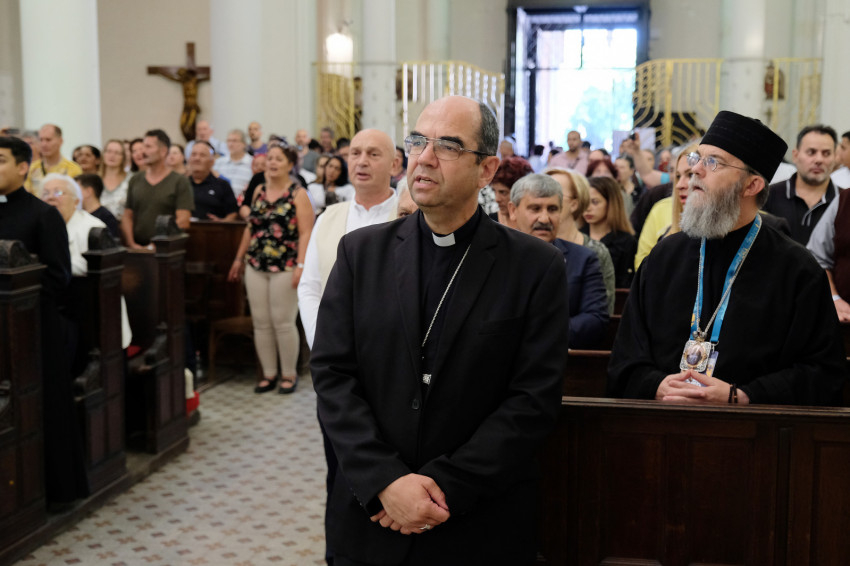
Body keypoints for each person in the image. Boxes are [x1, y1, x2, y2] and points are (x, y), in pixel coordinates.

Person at [311, 96, 569, 565]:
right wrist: (385, 481)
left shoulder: (535, 267)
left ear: (486, 169)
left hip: (475, 523)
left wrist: (443, 488)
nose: (425, 157)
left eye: (448, 146)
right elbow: (332, 375)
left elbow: (532, 400)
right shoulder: (359, 254)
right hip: (372, 516)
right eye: (418, 142)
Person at [608, 110, 847, 406]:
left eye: (713, 162)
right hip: (661, 421)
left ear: (752, 185)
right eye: (697, 158)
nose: (695, 170)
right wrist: (655, 385)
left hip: (752, 429)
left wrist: (743, 396)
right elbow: (625, 358)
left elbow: (823, 373)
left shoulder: (797, 269)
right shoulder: (663, 257)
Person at [0, 137, 87, 506]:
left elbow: (58, 275)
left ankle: (56, 490)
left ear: (23, 167)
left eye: (0, 160)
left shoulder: (42, 214)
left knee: (44, 406)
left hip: (33, 328)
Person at [298, 128, 399, 348]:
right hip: (333, 345)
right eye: (355, 153)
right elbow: (310, 287)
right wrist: (319, 340)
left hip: (392, 349)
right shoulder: (328, 218)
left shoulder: (408, 216)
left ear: (394, 165)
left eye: (373, 154)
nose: (362, 161)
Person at [228, 143, 314, 395]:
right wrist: (238, 259)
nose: (272, 163)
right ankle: (268, 374)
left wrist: (301, 265)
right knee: (261, 323)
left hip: (286, 265)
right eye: (270, 159)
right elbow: (251, 227)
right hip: (256, 264)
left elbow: (306, 232)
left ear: (290, 165)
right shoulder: (258, 191)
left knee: (283, 322)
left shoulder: (298, 194)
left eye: (278, 159)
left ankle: (288, 374)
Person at [509, 173, 608, 348]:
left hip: (563, 357)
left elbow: (595, 319)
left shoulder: (583, 259)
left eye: (552, 209)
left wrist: (541, 337)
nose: (544, 218)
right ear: (513, 211)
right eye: (535, 208)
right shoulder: (496, 257)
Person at [546, 167, 616, 314]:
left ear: (574, 204)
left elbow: (602, 312)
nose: (546, 199)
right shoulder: (529, 245)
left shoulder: (596, 251)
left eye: (554, 193)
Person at [762, 125, 840, 246]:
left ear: (835, 157)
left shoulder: (843, 200)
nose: (819, 160)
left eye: (826, 153)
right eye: (811, 152)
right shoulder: (768, 195)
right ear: (795, 155)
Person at [122, 129, 194, 248]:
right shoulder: (135, 179)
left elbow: (183, 221)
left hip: (167, 250)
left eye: (148, 147)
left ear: (163, 151)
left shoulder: (180, 181)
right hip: (137, 248)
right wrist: (132, 244)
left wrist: (155, 246)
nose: (143, 151)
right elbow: (127, 215)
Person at [635, 143, 698, 268]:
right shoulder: (660, 209)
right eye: (678, 176)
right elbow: (641, 265)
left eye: (690, 175)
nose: (679, 185)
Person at [582, 176, 637, 288]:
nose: (588, 208)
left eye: (595, 202)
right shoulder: (577, 236)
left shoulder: (626, 241)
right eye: (585, 202)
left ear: (611, 203)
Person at [24, 124, 83, 196]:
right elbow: (26, 194)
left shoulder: (73, 169)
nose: (44, 144)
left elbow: (76, 196)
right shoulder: (31, 168)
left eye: (48, 140)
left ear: (60, 141)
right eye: (41, 140)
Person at [188, 141, 238, 221]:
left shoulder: (223, 185)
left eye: (202, 155)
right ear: (189, 159)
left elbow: (233, 213)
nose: (197, 158)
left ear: (212, 162)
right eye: (194, 154)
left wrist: (221, 223)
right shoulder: (180, 184)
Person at [489, 155, 533, 227]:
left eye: (503, 192)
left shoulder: (533, 222)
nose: (497, 199)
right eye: (494, 191)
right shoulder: (490, 221)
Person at [75, 173, 120, 238]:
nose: (73, 194)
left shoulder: (107, 218)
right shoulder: (77, 215)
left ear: (88, 191)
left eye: (76, 190)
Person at [215, 129, 254, 198]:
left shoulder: (252, 162)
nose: (231, 144)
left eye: (235, 141)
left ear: (244, 144)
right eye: (229, 141)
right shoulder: (219, 162)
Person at [99, 138, 130, 220]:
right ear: (103, 154)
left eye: (117, 153)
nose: (112, 155)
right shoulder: (95, 179)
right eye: (109, 151)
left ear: (123, 157)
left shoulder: (131, 179)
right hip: (98, 225)